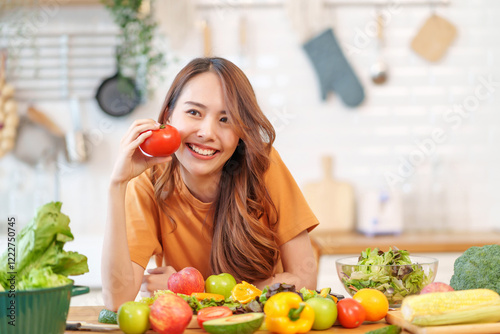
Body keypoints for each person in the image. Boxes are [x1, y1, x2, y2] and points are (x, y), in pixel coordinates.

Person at [101, 57, 319, 311]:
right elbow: (117, 300)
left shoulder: (263, 165)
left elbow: (305, 282)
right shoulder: (148, 181)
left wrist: (194, 290)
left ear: (241, 131)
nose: (207, 132)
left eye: (225, 119)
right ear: (168, 115)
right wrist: (117, 185)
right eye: (194, 112)